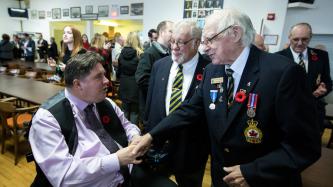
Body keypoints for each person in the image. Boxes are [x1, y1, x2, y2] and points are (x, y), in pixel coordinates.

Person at [133, 9, 321, 187]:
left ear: (235, 34)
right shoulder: (213, 70)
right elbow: (189, 110)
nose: (204, 48)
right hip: (222, 178)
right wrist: (151, 136)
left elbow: (305, 145)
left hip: (263, 180)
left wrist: (253, 172)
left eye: (209, 40)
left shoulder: (283, 73)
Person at [29, 51, 142, 187]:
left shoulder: (105, 102)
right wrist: (116, 160)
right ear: (78, 85)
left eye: (104, 74)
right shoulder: (47, 119)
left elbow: (127, 126)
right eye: (98, 77)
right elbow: (64, 176)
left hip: (125, 175)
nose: (107, 81)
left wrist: (135, 137)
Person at [132, 20, 210, 187]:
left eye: (180, 42)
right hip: (158, 146)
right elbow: (150, 101)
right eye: (172, 41)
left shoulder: (210, 70)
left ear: (196, 42)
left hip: (191, 149)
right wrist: (148, 130)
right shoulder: (160, 66)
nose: (174, 47)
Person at [276, 22, 332, 132]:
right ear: (289, 37)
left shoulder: (321, 56)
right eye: (296, 39)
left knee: (310, 146)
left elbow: (328, 82)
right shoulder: (278, 57)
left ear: (311, 37)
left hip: (313, 112)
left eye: (305, 39)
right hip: (286, 112)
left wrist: (323, 90)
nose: (300, 43)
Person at [135, 20, 174, 122]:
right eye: (171, 31)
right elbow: (141, 79)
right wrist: (161, 91)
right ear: (161, 32)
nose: (173, 35)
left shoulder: (169, 54)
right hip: (152, 108)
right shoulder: (150, 54)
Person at [117, 32, 143, 126]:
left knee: (124, 110)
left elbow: (118, 72)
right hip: (135, 85)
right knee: (134, 112)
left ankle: (124, 133)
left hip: (124, 84)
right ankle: (134, 136)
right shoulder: (140, 54)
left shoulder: (121, 53)